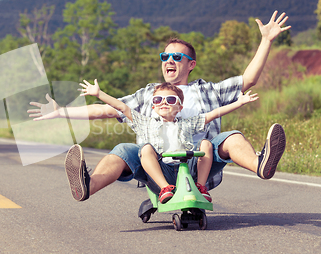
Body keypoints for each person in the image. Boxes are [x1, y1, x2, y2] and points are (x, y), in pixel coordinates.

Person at [29, 11, 290, 203]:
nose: (169, 60)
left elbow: (248, 80)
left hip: (201, 163)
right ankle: (87, 185)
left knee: (231, 137)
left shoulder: (207, 90)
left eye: (177, 56)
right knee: (123, 149)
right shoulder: (149, 94)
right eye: (165, 56)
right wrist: (60, 111)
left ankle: (260, 165)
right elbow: (107, 109)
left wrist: (266, 40)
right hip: (158, 165)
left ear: (191, 64)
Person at [78, 79, 259, 203]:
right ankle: (165, 189)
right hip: (161, 172)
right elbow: (122, 107)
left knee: (206, 144)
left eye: (170, 99)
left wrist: (239, 102)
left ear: (180, 107)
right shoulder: (145, 122)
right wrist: (99, 93)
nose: (164, 102)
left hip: (188, 170)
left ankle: (201, 187)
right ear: (153, 106)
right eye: (158, 99)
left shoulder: (188, 123)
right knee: (146, 149)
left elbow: (214, 114)